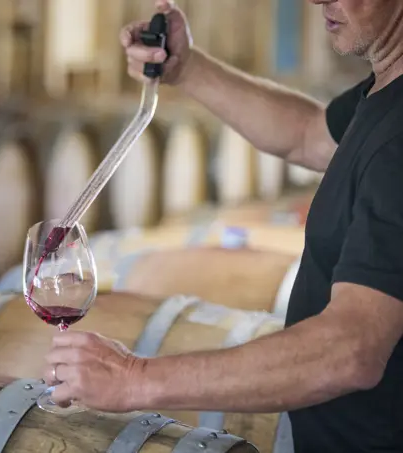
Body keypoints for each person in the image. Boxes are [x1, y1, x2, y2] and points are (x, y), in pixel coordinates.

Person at [41, 1, 403, 452]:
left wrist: (134, 379)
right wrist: (187, 67)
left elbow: (351, 348)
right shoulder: (384, 93)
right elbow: (307, 133)